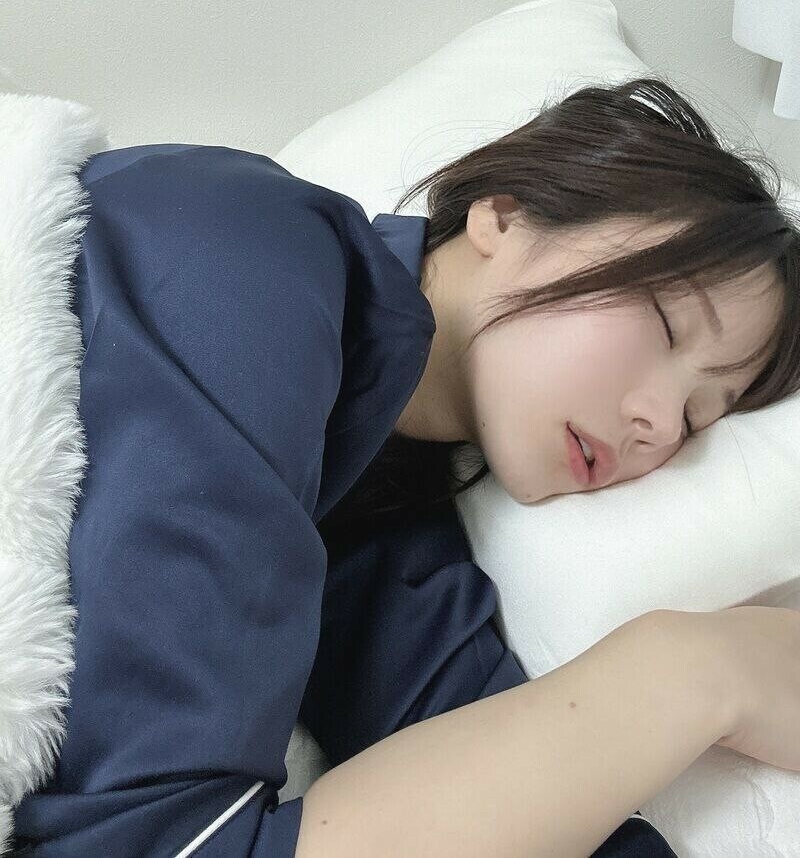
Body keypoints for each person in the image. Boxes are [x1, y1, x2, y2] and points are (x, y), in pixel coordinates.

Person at [9, 76, 800, 856]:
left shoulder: (386, 507)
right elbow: (149, 840)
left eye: (700, 413)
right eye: (666, 321)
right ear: (505, 213)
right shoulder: (253, 255)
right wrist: (696, 671)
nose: (659, 424)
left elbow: (531, 790)